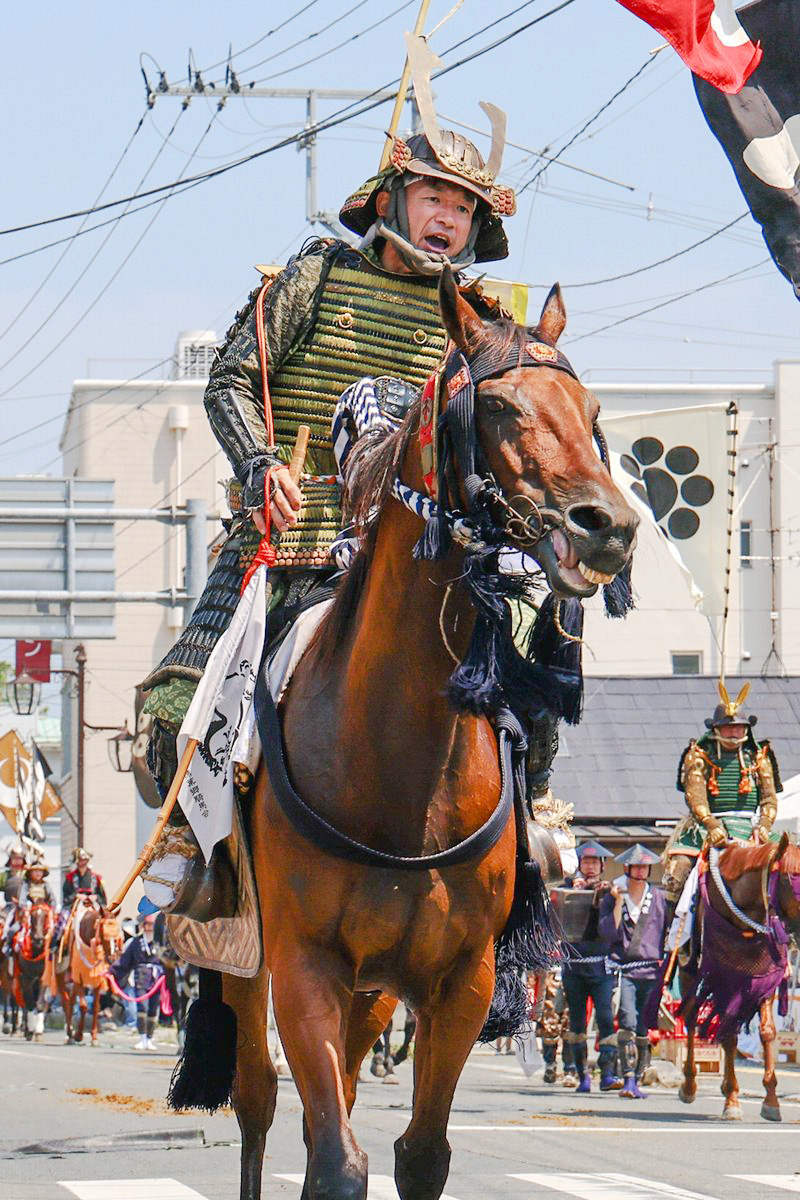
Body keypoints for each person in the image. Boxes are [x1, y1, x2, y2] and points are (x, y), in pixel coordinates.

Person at [139, 87, 517, 914]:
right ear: (393, 200)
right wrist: (259, 463)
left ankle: (524, 860)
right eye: (433, 197)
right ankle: (195, 853)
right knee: (179, 707)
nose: (447, 217)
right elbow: (231, 378)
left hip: (424, 559)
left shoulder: (482, 320)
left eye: (462, 206)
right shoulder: (318, 272)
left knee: (529, 674)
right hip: (293, 540)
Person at [663, 683, 781, 914]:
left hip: (751, 825)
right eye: (729, 727)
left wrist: (765, 824)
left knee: (790, 864)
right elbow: (695, 797)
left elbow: (769, 798)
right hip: (705, 825)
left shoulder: (759, 757)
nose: (734, 732)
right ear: (716, 728)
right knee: (677, 872)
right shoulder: (698, 755)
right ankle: (672, 935)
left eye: (738, 727)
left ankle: (789, 930)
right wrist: (711, 825)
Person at [598, 844, 667, 1100]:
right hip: (625, 970)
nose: (640, 870)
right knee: (626, 1020)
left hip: (651, 970)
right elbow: (608, 933)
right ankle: (627, 1077)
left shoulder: (659, 898)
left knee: (644, 1026)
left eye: (644, 866)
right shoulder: (613, 896)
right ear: (626, 868)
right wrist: (617, 903)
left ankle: (638, 1077)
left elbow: (670, 932)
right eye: (635, 866)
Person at [561, 840, 622, 1093]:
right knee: (576, 1023)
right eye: (585, 862)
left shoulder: (610, 892)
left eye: (594, 862)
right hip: (574, 967)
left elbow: (614, 931)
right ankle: (581, 1074)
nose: (589, 867)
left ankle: (607, 1074)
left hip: (601, 967)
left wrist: (613, 899)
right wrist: (572, 893)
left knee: (606, 1019)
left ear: (602, 866)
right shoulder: (565, 888)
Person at [112, 912, 165, 1050]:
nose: (149, 928)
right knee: (142, 1007)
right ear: (142, 926)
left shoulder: (160, 941)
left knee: (153, 1009)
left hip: (157, 979)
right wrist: (111, 972)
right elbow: (124, 961)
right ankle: (141, 1037)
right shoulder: (136, 942)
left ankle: (149, 1039)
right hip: (141, 978)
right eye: (147, 925)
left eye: (152, 925)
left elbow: (167, 960)